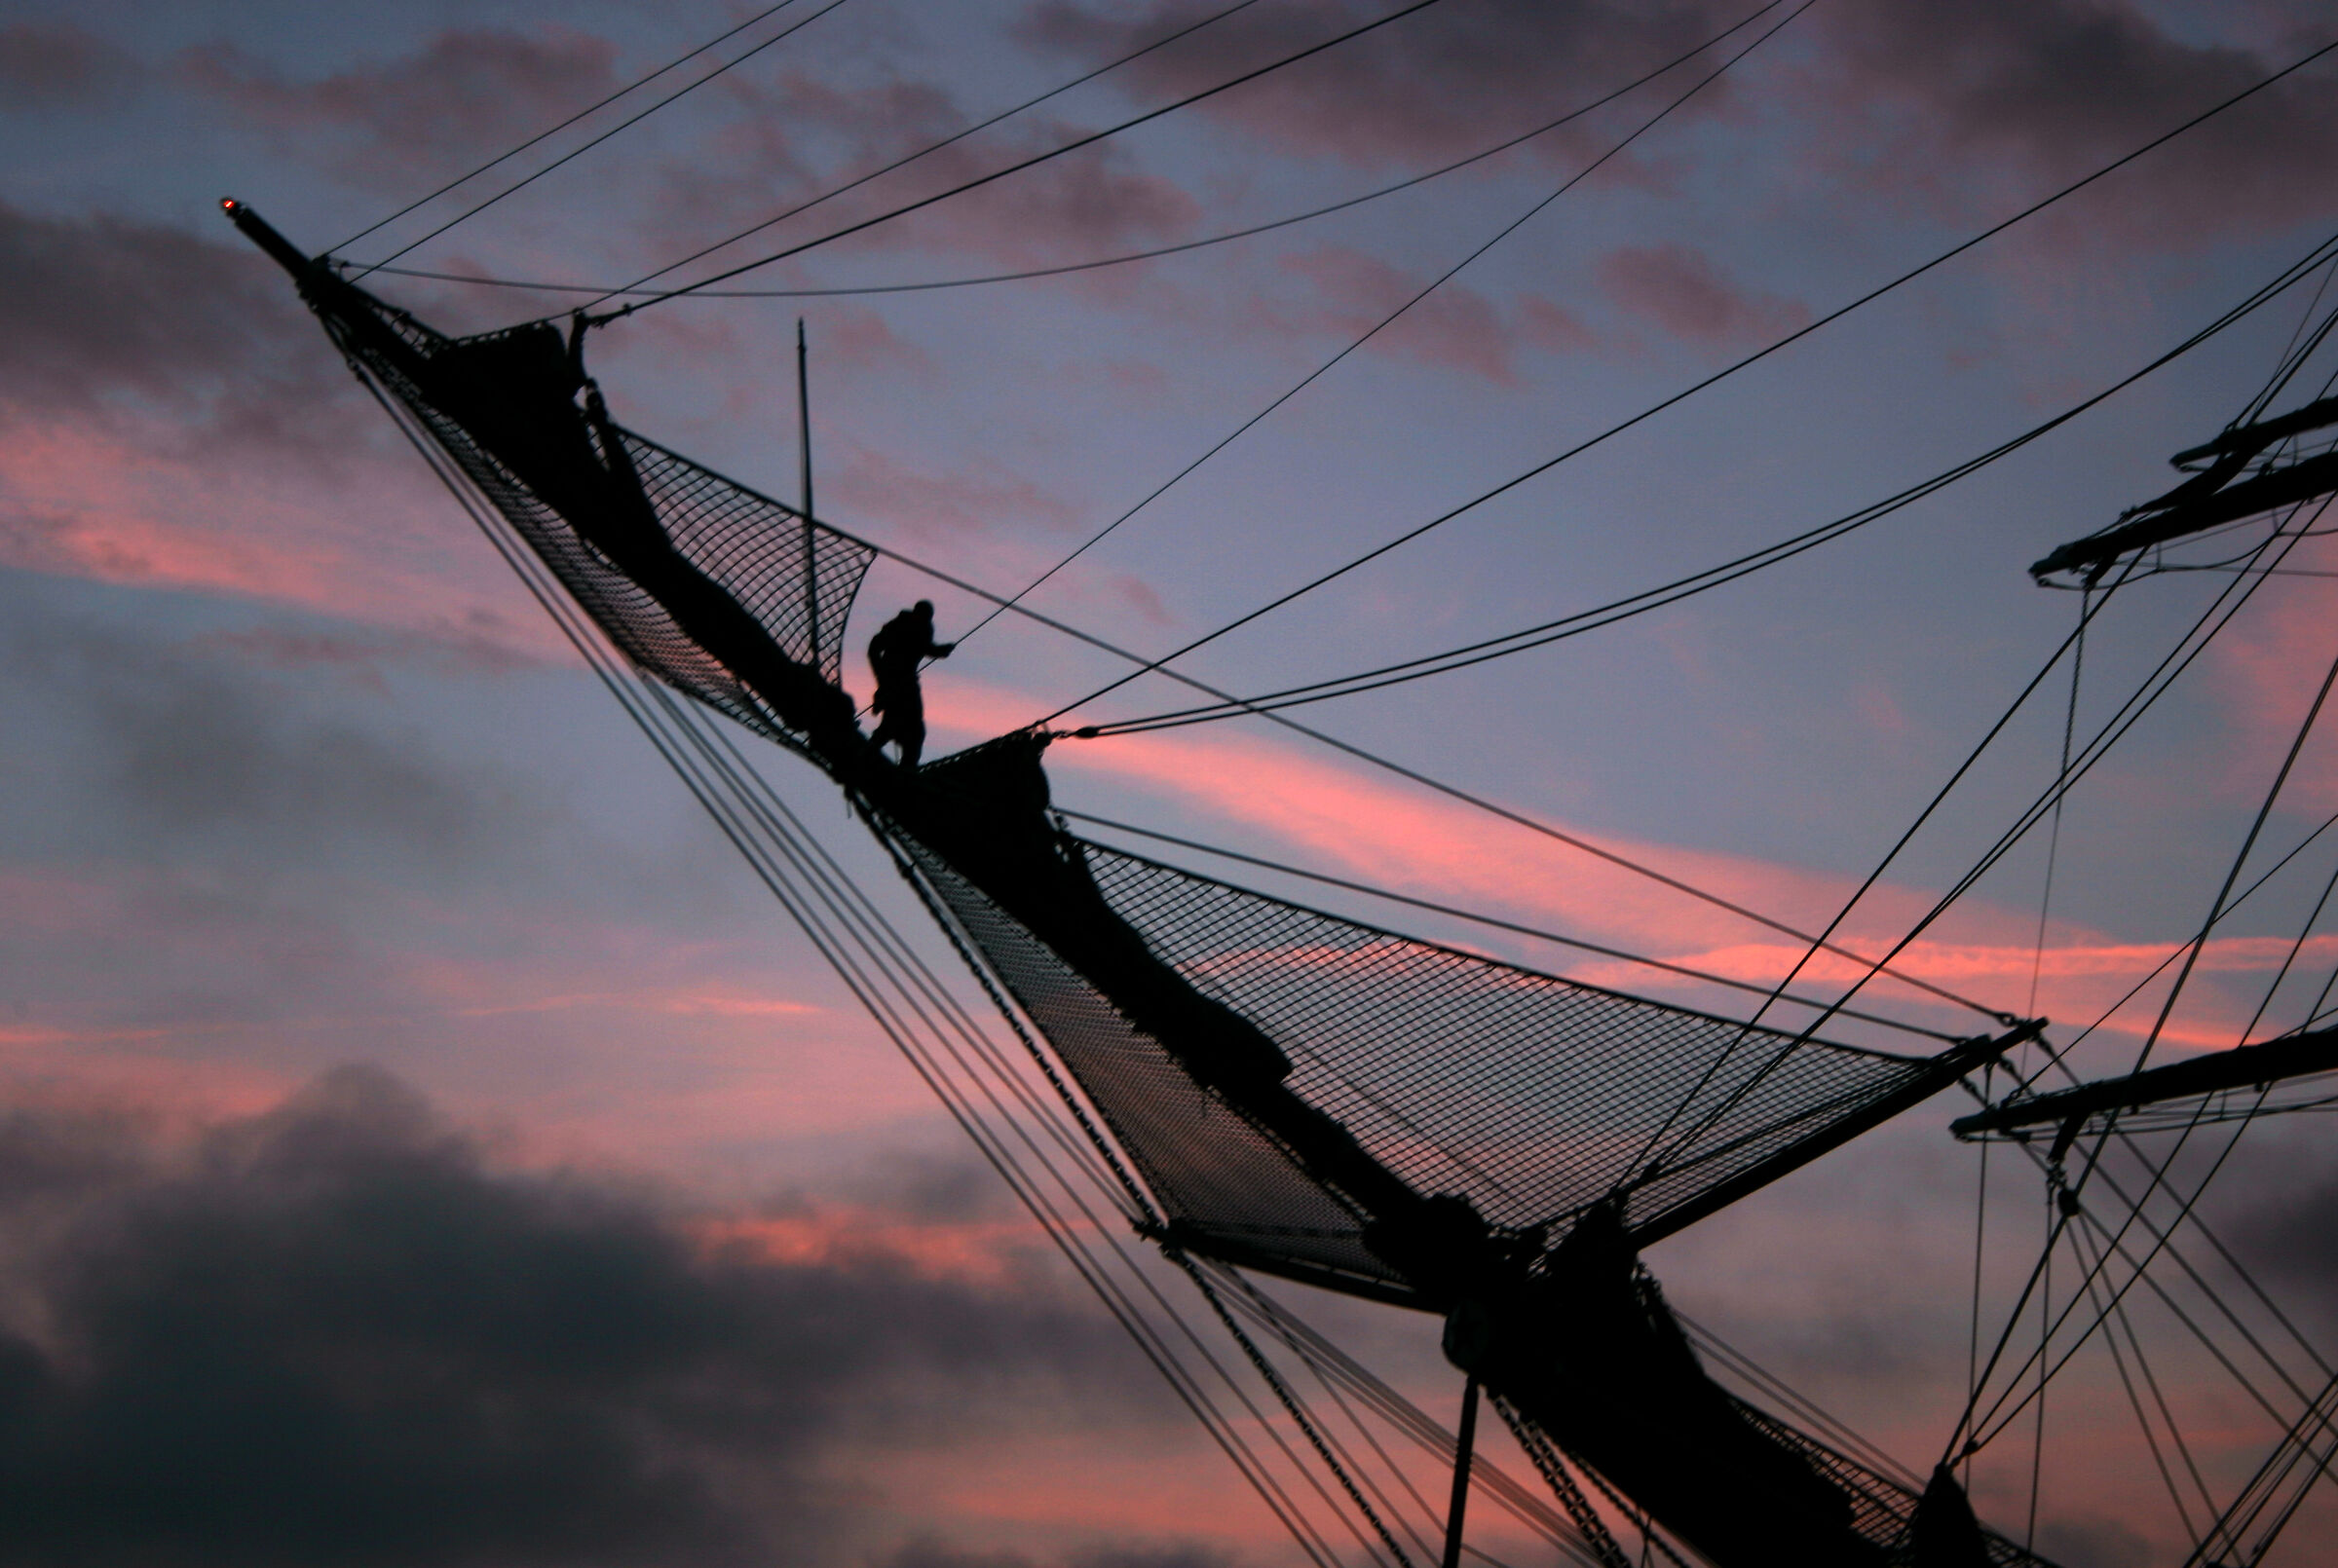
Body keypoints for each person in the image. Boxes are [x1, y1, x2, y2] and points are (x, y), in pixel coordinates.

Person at [867, 600, 954, 767]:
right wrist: (883, 678)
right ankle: (874, 756)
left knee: (908, 729)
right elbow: (874, 649)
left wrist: (941, 650)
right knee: (900, 726)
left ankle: (904, 767)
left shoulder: (924, 627)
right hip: (896, 683)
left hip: (906, 682)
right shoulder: (899, 625)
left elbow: (926, 647)